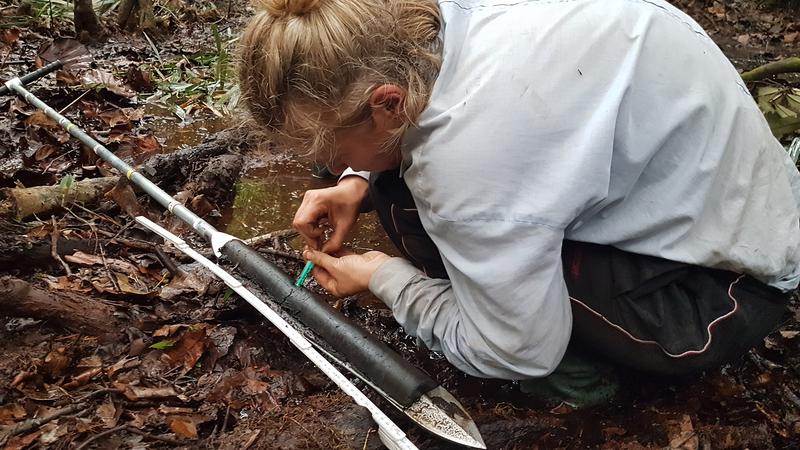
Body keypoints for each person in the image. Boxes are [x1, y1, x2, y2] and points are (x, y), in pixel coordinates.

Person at [238, 0, 800, 406]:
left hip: (717, 295)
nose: (330, 166)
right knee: (390, 187)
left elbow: (516, 352)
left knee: (423, 224)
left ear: (388, 102)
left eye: (331, 148)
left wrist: (386, 277)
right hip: (727, 201)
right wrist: (355, 181)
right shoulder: (430, 25)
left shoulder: (470, 164)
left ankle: (584, 379)